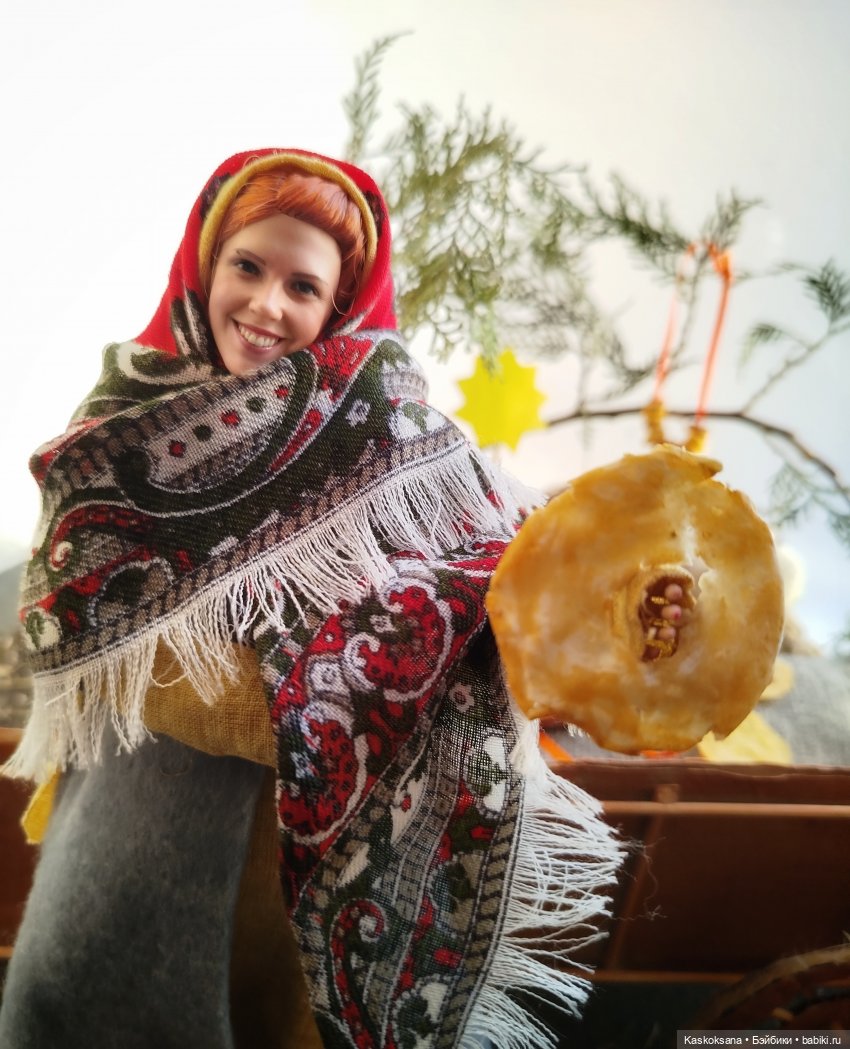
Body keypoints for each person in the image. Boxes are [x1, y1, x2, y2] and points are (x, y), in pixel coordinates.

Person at [0, 148, 636, 1048]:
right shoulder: (122, 414)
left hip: (287, 834)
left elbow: (501, 564)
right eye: (248, 267)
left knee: (245, 1009)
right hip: (130, 794)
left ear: (338, 303)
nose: (267, 306)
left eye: (303, 286)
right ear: (206, 264)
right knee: (84, 983)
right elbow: (72, 611)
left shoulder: (391, 433)